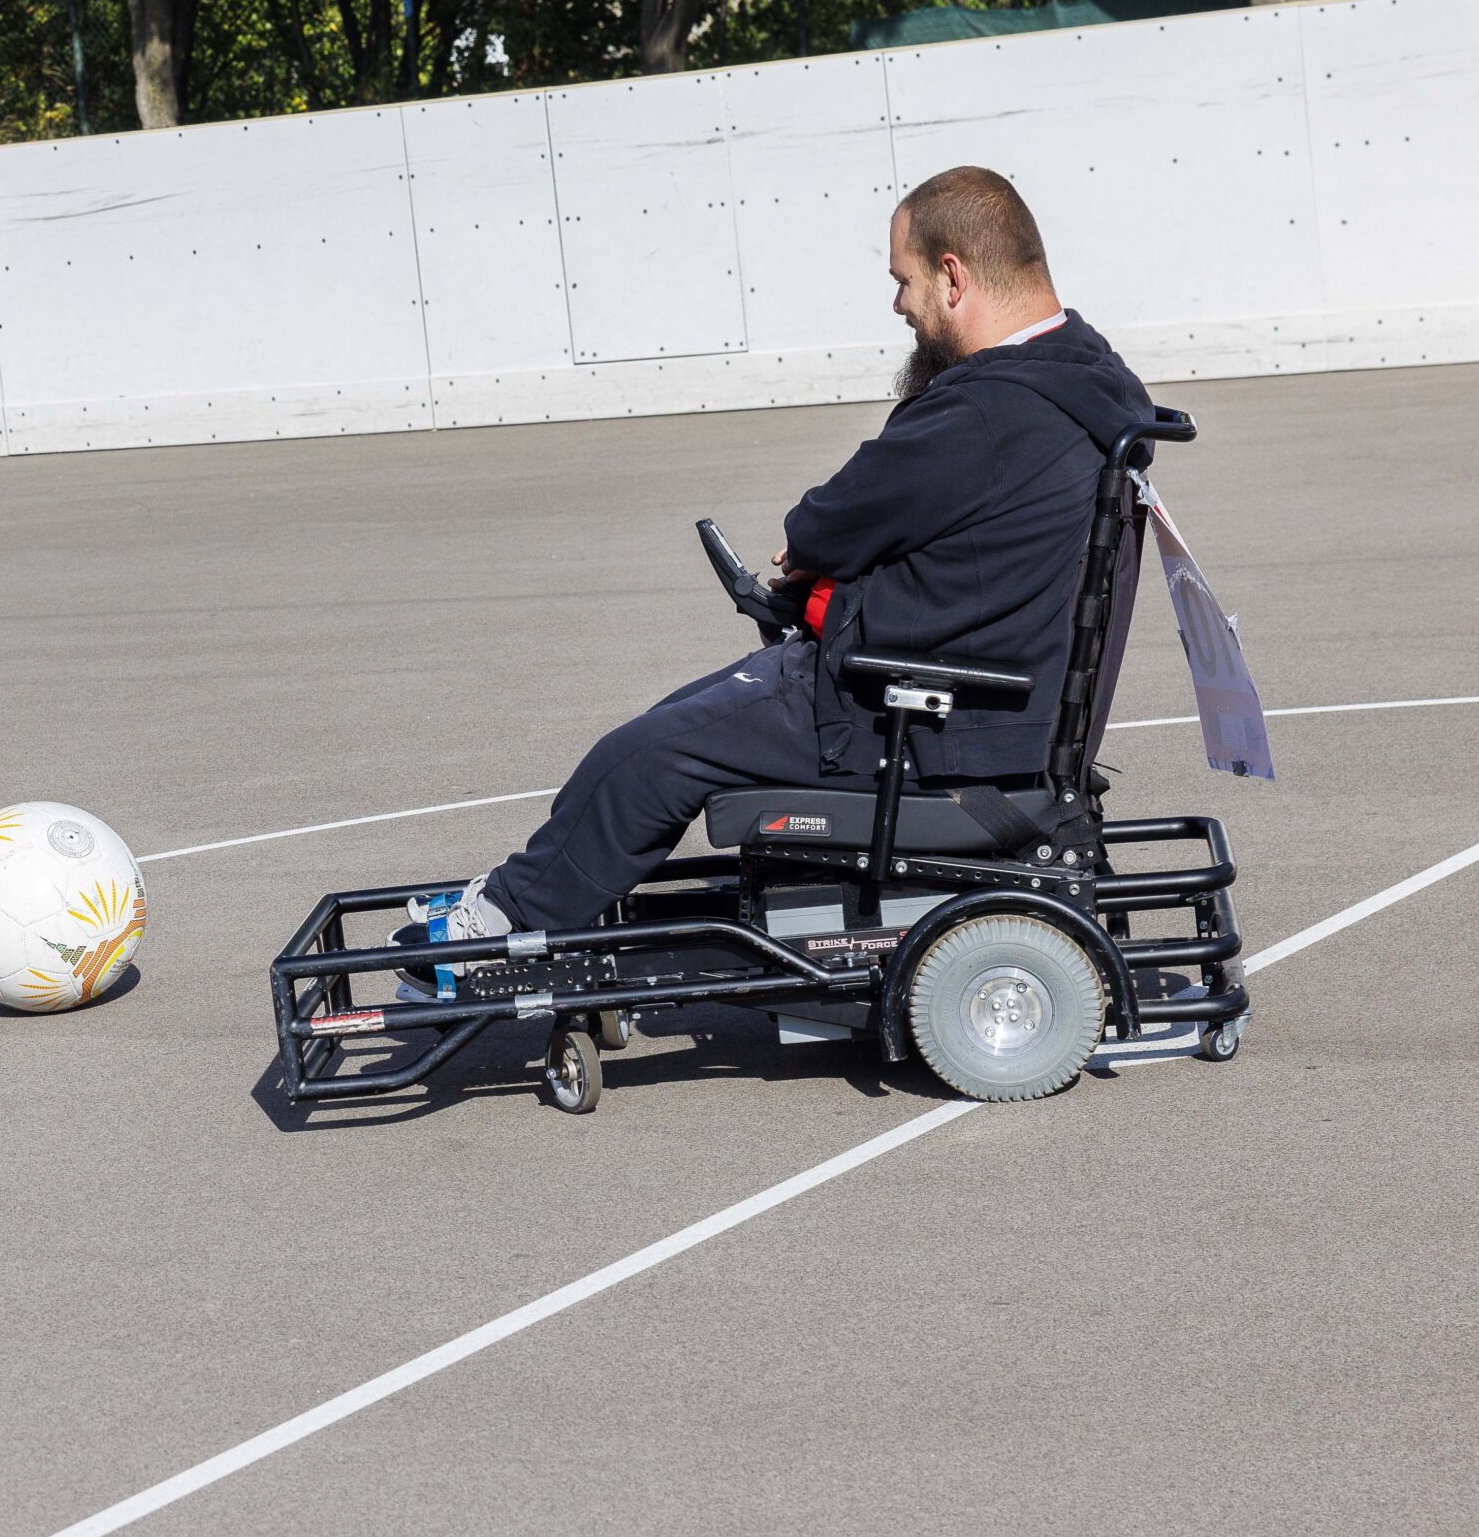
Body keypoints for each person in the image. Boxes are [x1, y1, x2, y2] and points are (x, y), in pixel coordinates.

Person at [406, 166, 1157, 990]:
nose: (899, 305)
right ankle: (531, 898)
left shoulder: (985, 411)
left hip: (919, 716)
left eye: (903, 282)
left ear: (953, 276)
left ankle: (502, 930)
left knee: (648, 757)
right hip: (984, 695)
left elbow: (821, 524)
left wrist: (817, 562)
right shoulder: (1087, 372)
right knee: (679, 720)